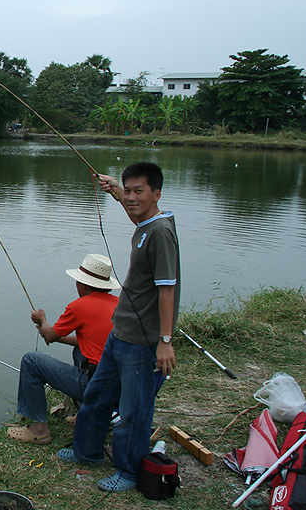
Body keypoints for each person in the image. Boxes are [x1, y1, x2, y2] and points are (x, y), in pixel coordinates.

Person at [58, 161, 181, 494]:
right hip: (120, 331)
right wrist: (115, 193)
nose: (132, 198)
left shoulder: (161, 233)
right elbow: (135, 215)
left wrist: (165, 341)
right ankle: (87, 452)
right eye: (128, 191)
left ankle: (128, 470)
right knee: (97, 396)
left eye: (138, 191)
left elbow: (167, 289)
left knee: (133, 410)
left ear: (156, 193)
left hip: (142, 341)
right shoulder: (146, 225)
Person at [7, 253, 121, 445]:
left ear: (83, 284)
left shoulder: (79, 306)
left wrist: (42, 320)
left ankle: (39, 429)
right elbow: (89, 342)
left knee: (30, 360)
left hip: (95, 386)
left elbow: (50, 336)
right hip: (119, 388)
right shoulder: (118, 305)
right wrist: (51, 333)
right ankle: (86, 413)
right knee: (80, 351)